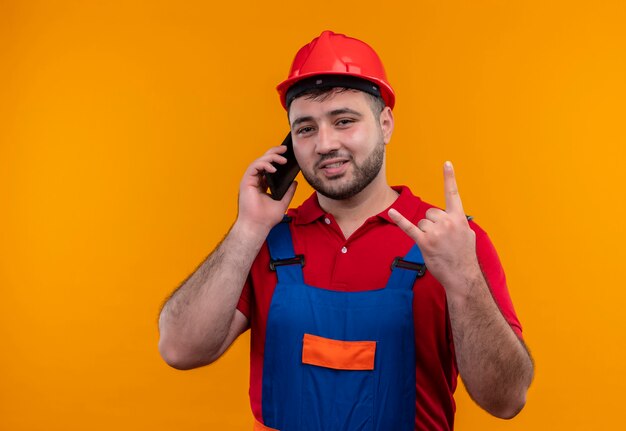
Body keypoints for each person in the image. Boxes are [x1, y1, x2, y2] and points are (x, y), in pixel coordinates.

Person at [158, 30, 534, 431]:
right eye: (305, 128)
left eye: (344, 121)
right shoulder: (266, 241)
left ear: (385, 124)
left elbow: (506, 400)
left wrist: (465, 281)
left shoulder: (449, 240)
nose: (324, 143)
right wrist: (247, 229)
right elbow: (180, 349)